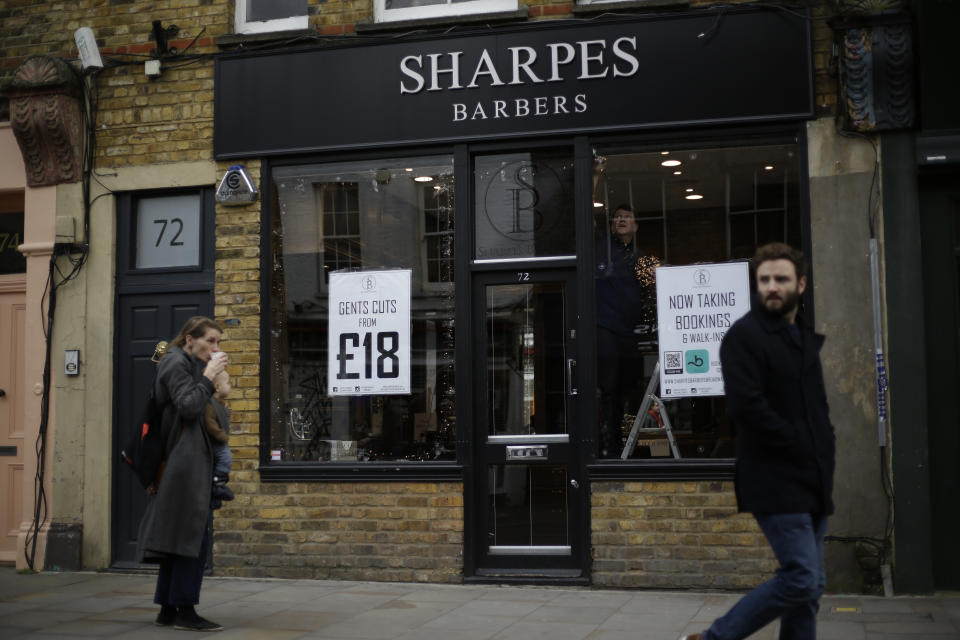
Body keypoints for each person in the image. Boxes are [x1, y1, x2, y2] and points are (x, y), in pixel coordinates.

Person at [681, 243, 836, 640]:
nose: (771, 286)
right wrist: (800, 444)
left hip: (813, 478)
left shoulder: (801, 338)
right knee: (802, 578)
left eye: (780, 279)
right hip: (773, 478)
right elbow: (747, 408)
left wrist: (824, 453)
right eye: (764, 279)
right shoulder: (743, 338)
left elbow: (818, 411)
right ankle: (715, 638)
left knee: (809, 591)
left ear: (799, 285)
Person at [137, 316, 226, 632]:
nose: (215, 347)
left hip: (186, 461)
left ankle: (168, 609)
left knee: (178, 536)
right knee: (191, 538)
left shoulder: (184, 362)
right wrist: (209, 376)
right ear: (190, 338)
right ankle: (185, 611)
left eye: (218, 342)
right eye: (210, 341)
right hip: (181, 464)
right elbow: (188, 406)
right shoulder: (175, 363)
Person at [595, 204, 652, 457]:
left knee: (626, 388)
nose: (621, 220)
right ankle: (602, 446)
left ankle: (619, 443)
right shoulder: (600, 248)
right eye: (617, 217)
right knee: (607, 388)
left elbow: (652, 284)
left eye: (627, 217)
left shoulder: (640, 258)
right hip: (604, 326)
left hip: (628, 332)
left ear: (635, 226)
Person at [206, 368, 235, 510]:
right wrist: (222, 436)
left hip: (219, 441)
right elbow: (210, 424)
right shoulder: (209, 405)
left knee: (225, 457)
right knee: (225, 457)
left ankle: (217, 490)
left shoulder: (219, 404)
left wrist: (225, 411)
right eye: (228, 383)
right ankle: (218, 483)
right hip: (216, 442)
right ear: (217, 387)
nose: (230, 386)